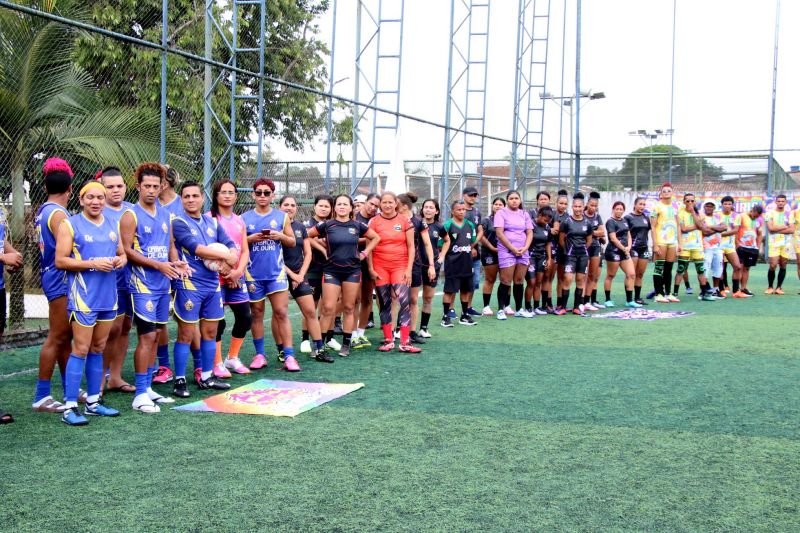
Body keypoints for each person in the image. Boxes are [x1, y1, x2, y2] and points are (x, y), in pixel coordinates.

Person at [54, 180, 127, 425]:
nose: (96, 202)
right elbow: (61, 261)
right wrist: (92, 263)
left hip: (108, 296)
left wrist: (120, 261)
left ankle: (93, 402)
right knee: (81, 349)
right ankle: (69, 407)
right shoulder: (70, 224)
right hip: (84, 298)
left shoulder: (112, 223)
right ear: (82, 199)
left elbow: (122, 253)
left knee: (98, 348)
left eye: (100, 198)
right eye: (90, 197)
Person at [120, 162, 188, 408]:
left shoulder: (167, 215)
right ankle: (139, 394)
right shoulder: (130, 215)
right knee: (147, 337)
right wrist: (158, 266)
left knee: (157, 335)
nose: (151, 190)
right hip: (142, 285)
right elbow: (127, 250)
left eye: (155, 186)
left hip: (163, 284)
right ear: (138, 186)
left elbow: (170, 246)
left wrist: (176, 263)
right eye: (146, 186)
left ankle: (147, 387)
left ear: (162, 187)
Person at [172, 181, 239, 392]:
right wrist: (226, 256)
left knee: (210, 332)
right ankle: (180, 380)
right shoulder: (179, 222)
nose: (191, 200)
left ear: (203, 198)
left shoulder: (213, 223)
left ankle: (207, 376)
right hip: (190, 285)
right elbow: (196, 249)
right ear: (182, 200)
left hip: (212, 285)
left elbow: (230, 244)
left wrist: (232, 255)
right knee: (187, 334)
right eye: (186, 196)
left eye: (195, 196)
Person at [308, 194, 380, 358]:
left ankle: (346, 344)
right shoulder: (327, 225)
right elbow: (308, 236)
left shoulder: (357, 225)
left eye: (345, 204)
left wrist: (364, 253)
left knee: (349, 307)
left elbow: (376, 237)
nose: (341, 206)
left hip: (352, 271)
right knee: (328, 308)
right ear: (335, 208)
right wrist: (321, 249)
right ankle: (320, 345)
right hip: (331, 271)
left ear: (351, 207)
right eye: (339, 204)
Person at [241, 178, 298, 371]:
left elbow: (292, 241)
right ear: (253, 195)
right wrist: (250, 238)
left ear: (273, 195)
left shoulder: (281, 217)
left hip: (276, 273)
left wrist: (280, 236)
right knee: (256, 314)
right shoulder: (244, 218)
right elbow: (237, 244)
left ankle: (289, 356)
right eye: (259, 192)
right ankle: (260, 355)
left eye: (267, 192)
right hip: (253, 274)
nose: (263, 196)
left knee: (281, 312)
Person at [32, 158, 74, 414]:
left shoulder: (43, 210)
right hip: (59, 278)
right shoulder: (58, 214)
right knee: (57, 336)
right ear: (70, 189)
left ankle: (70, 388)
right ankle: (41, 395)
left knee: (64, 335)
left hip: (51, 275)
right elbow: (67, 249)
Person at [95, 167, 135, 394]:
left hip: (134, 280)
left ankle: (116, 377)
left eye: (119, 186)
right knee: (110, 330)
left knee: (126, 328)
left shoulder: (133, 210)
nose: (115, 190)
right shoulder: (98, 212)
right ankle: (99, 379)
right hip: (110, 282)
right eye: (109, 187)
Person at [366, 192, 421, 352]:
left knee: (405, 303)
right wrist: (370, 268)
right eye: (384, 202)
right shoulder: (374, 221)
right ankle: (388, 340)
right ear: (380, 204)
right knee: (385, 304)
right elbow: (369, 247)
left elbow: (412, 246)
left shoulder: (405, 221)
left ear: (396, 204)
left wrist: (409, 269)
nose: (388, 205)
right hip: (380, 267)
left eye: (391, 202)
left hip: (400, 267)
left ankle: (405, 342)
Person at [208, 180, 252, 377]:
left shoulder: (239, 220)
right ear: (216, 195)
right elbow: (208, 251)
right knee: (218, 321)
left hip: (237, 276)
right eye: (223, 192)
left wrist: (237, 272)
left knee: (245, 317)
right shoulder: (208, 218)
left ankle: (232, 358)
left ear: (236, 196)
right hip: (216, 277)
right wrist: (226, 272)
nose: (227, 195)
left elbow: (244, 250)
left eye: (231, 192)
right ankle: (217, 363)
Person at [279, 195, 326, 360]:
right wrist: (291, 275)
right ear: (280, 207)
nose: (289, 207)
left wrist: (300, 275)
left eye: (292, 205)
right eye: (286, 204)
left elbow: (308, 253)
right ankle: (281, 351)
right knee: (280, 313)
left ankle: (319, 349)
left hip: (299, 275)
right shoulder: (274, 226)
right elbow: (273, 257)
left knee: (310, 311)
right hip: (279, 275)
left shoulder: (300, 227)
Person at [152, 164, 184, 384]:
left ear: (164, 183)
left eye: (157, 181)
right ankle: (163, 366)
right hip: (156, 269)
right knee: (158, 320)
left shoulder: (185, 202)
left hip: (183, 266)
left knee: (187, 318)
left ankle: (201, 366)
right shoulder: (149, 205)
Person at [397, 192, 435, 344]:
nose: (391, 206)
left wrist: (432, 265)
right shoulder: (393, 220)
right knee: (396, 299)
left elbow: (427, 244)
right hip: (396, 264)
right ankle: (395, 331)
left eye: (395, 204)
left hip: (414, 266)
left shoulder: (419, 222)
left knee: (413, 299)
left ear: (404, 206)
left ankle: (411, 332)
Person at [303, 195, 337, 350]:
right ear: (314, 206)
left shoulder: (334, 224)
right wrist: (321, 246)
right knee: (311, 304)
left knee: (330, 305)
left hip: (332, 267)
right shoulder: (307, 224)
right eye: (321, 205)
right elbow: (306, 237)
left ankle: (329, 337)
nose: (323, 209)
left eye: (327, 206)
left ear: (331, 208)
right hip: (312, 268)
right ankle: (305, 339)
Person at [494, 190, 533, 319]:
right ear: (507, 200)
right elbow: (499, 233)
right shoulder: (501, 213)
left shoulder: (524, 214)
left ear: (520, 200)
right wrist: (512, 248)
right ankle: (501, 310)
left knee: (519, 281)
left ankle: (519, 309)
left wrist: (525, 247)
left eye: (516, 198)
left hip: (523, 252)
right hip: (507, 251)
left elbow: (529, 233)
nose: (514, 200)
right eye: (511, 198)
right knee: (506, 280)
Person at [439, 200, 478, 327]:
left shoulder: (470, 225)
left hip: (467, 263)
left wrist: (470, 249)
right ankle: (445, 316)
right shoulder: (447, 225)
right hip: (452, 264)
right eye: (459, 209)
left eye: (463, 210)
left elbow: (471, 242)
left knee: (466, 290)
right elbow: (441, 244)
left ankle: (464, 315)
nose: (462, 212)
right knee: (449, 291)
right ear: (453, 211)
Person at [557, 192, 593, 316]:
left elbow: (589, 240)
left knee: (580, 279)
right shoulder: (566, 222)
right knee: (567, 278)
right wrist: (568, 250)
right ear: (572, 207)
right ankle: (563, 307)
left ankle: (577, 307)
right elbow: (561, 239)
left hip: (583, 255)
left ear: (583, 208)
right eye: (575, 207)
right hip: (570, 255)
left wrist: (582, 249)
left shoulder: (587, 223)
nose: (577, 209)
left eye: (580, 207)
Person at [352, 193, 381, 348]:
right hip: (353, 262)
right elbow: (348, 237)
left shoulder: (377, 220)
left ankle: (361, 333)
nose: (373, 208)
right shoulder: (354, 218)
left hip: (371, 263)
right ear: (364, 202)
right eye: (371, 204)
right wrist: (369, 237)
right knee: (354, 299)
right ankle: (352, 333)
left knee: (368, 299)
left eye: (376, 206)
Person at [676, 193, 716, 301]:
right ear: (684, 202)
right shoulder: (680, 213)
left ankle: (703, 293)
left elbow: (702, 227)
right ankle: (675, 293)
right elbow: (683, 229)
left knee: (701, 270)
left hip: (697, 246)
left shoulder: (700, 214)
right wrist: (697, 226)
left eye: (692, 201)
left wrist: (693, 212)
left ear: (695, 202)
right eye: (687, 201)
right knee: (681, 270)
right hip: (684, 246)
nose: (690, 203)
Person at [603, 201, 640, 308]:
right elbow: (613, 239)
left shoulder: (624, 220)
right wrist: (624, 248)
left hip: (625, 252)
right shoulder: (610, 221)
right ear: (613, 209)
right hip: (613, 251)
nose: (619, 211)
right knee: (611, 275)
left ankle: (629, 300)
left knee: (631, 274)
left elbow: (629, 236)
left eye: (621, 209)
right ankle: (608, 299)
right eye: (617, 209)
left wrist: (628, 247)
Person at [650, 182, 681, 303]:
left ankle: (668, 293)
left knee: (669, 268)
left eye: (669, 190)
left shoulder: (676, 206)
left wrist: (680, 243)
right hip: (661, 241)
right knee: (659, 267)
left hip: (672, 242)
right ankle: (658, 293)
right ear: (661, 194)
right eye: (664, 191)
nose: (667, 192)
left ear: (672, 192)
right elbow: (653, 226)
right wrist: (655, 244)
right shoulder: (656, 206)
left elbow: (678, 226)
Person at [417, 198, 444, 337]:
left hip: (431, 266)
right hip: (415, 265)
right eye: (426, 207)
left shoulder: (439, 227)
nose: (428, 209)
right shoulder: (415, 223)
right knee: (411, 299)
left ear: (436, 211)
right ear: (422, 209)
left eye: (431, 207)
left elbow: (448, 240)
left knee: (428, 298)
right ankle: (400, 329)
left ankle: (423, 328)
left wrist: (441, 257)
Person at [479, 198, 505, 316]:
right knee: (490, 279)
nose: (498, 206)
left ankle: (506, 305)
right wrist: (492, 248)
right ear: (492, 206)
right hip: (489, 253)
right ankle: (486, 306)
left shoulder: (507, 220)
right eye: (496, 204)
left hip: (505, 253)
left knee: (506, 280)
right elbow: (481, 236)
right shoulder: (486, 220)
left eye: (501, 204)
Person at [525, 206, 553, 315]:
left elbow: (548, 244)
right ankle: (528, 307)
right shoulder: (530, 225)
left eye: (548, 220)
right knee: (531, 282)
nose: (547, 222)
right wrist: (525, 257)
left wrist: (549, 258)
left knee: (538, 282)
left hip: (541, 257)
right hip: (530, 257)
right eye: (545, 219)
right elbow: (525, 241)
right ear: (539, 215)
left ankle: (537, 307)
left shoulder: (547, 228)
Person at [764, 194, 794, 295]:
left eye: (783, 201)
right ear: (775, 202)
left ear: (785, 203)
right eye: (779, 201)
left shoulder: (789, 214)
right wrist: (784, 227)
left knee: (783, 264)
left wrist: (777, 228)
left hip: (786, 244)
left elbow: (792, 230)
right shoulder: (769, 214)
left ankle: (779, 287)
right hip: (774, 243)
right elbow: (771, 229)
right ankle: (770, 287)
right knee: (773, 265)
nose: (781, 203)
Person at [461, 186, 484, 317]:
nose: (473, 197)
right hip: (460, 252)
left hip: (475, 252)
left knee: (474, 282)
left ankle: (469, 307)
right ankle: (450, 309)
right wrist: (468, 247)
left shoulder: (477, 212)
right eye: (470, 195)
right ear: (463, 195)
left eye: (475, 195)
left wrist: (474, 245)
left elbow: (480, 230)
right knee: (457, 282)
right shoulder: (459, 210)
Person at [624, 197, 651, 305]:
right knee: (631, 274)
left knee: (640, 274)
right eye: (640, 204)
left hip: (644, 248)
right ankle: (629, 299)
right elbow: (624, 233)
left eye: (644, 204)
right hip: (633, 248)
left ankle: (637, 298)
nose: (642, 206)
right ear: (635, 205)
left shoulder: (646, 218)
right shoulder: (628, 218)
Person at [547, 190, 570, 313]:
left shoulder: (569, 217)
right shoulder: (551, 215)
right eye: (561, 203)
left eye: (565, 204)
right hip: (552, 248)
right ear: (556, 203)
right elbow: (555, 230)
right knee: (550, 277)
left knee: (562, 277)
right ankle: (548, 303)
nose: (563, 206)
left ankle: (560, 304)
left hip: (564, 250)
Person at [735, 204, 764, 296]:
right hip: (741, 246)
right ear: (752, 210)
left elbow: (759, 234)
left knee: (747, 268)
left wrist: (758, 247)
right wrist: (737, 244)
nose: (755, 217)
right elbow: (735, 231)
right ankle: (737, 289)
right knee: (739, 267)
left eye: (758, 216)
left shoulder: (759, 220)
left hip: (752, 248)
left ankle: (743, 288)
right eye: (755, 215)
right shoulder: (741, 216)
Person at [718, 196, 744, 296]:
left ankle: (735, 291)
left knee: (737, 266)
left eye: (729, 204)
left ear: (732, 205)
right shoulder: (717, 216)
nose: (727, 206)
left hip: (730, 246)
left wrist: (720, 234)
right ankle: (721, 290)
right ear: (722, 205)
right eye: (725, 204)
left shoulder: (736, 216)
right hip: (718, 246)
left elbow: (735, 230)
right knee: (720, 268)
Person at [583, 191, 606, 310]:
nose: (593, 208)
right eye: (591, 205)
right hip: (584, 248)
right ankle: (580, 301)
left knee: (593, 275)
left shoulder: (598, 217)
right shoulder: (581, 215)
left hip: (596, 247)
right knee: (584, 275)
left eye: (595, 206)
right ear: (587, 204)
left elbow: (602, 232)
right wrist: (594, 233)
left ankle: (588, 301)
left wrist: (591, 233)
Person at [701, 200, 727, 298]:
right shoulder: (701, 218)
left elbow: (724, 227)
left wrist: (711, 227)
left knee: (718, 269)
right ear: (704, 207)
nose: (709, 208)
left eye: (711, 206)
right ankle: (704, 289)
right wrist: (717, 228)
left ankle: (715, 290)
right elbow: (705, 232)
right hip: (706, 248)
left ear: (714, 208)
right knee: (705, 269)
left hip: (718, 248)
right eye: (707, 206)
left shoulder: (718, 217)